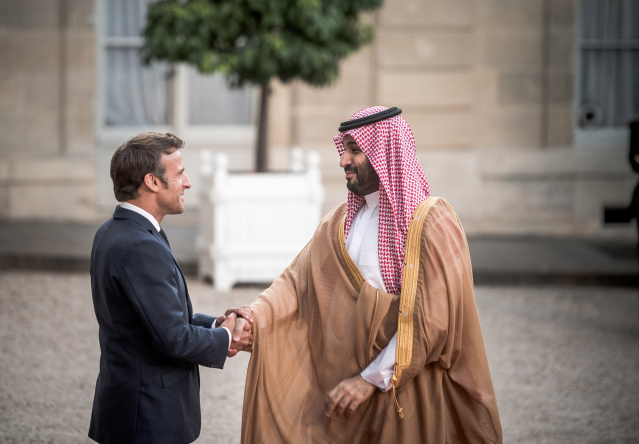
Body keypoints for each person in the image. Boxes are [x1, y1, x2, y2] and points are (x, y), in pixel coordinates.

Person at [229, 107, 502, 443]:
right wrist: (251, 318)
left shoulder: (432, 223)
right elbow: (296, 284)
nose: (343, 160)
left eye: (354, 150)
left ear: (385, 152)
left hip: (407, 391)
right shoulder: (339, 222)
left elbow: (432, 320)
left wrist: (369, 379)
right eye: (343, 150)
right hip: (344, 388)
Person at [88, 132, 254, 444]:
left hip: (127, 408)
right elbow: (174, 339)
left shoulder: (113, 231)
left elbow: (155, 319)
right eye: (179, 174)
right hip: (147, 417)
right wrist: (228, 337)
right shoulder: (140, 244)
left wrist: (216, 323)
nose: (187, 183)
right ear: (152, 182)